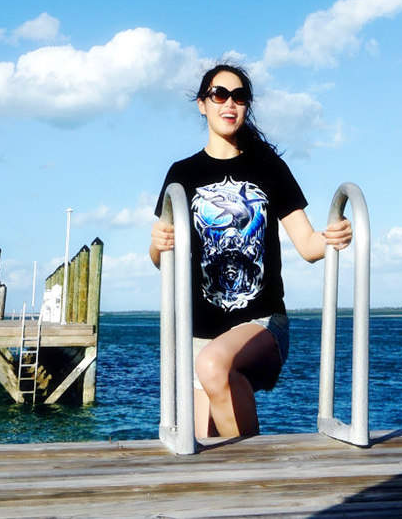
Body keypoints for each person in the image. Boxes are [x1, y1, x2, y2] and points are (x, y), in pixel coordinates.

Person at [149, 62, 352, 439]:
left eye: (240, 97)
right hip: (199, 332)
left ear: (247, 106)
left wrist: (333, 237)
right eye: (219, 95)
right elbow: (163, 260)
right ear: (202, 104)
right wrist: (157, 245)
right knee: (203, 444)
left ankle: (256, 469)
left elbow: (308, 244)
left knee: (214, 365)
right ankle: (244, 470)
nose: (230, 103)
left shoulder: (268, 167)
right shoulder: (182, 175)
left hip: (262, 324)